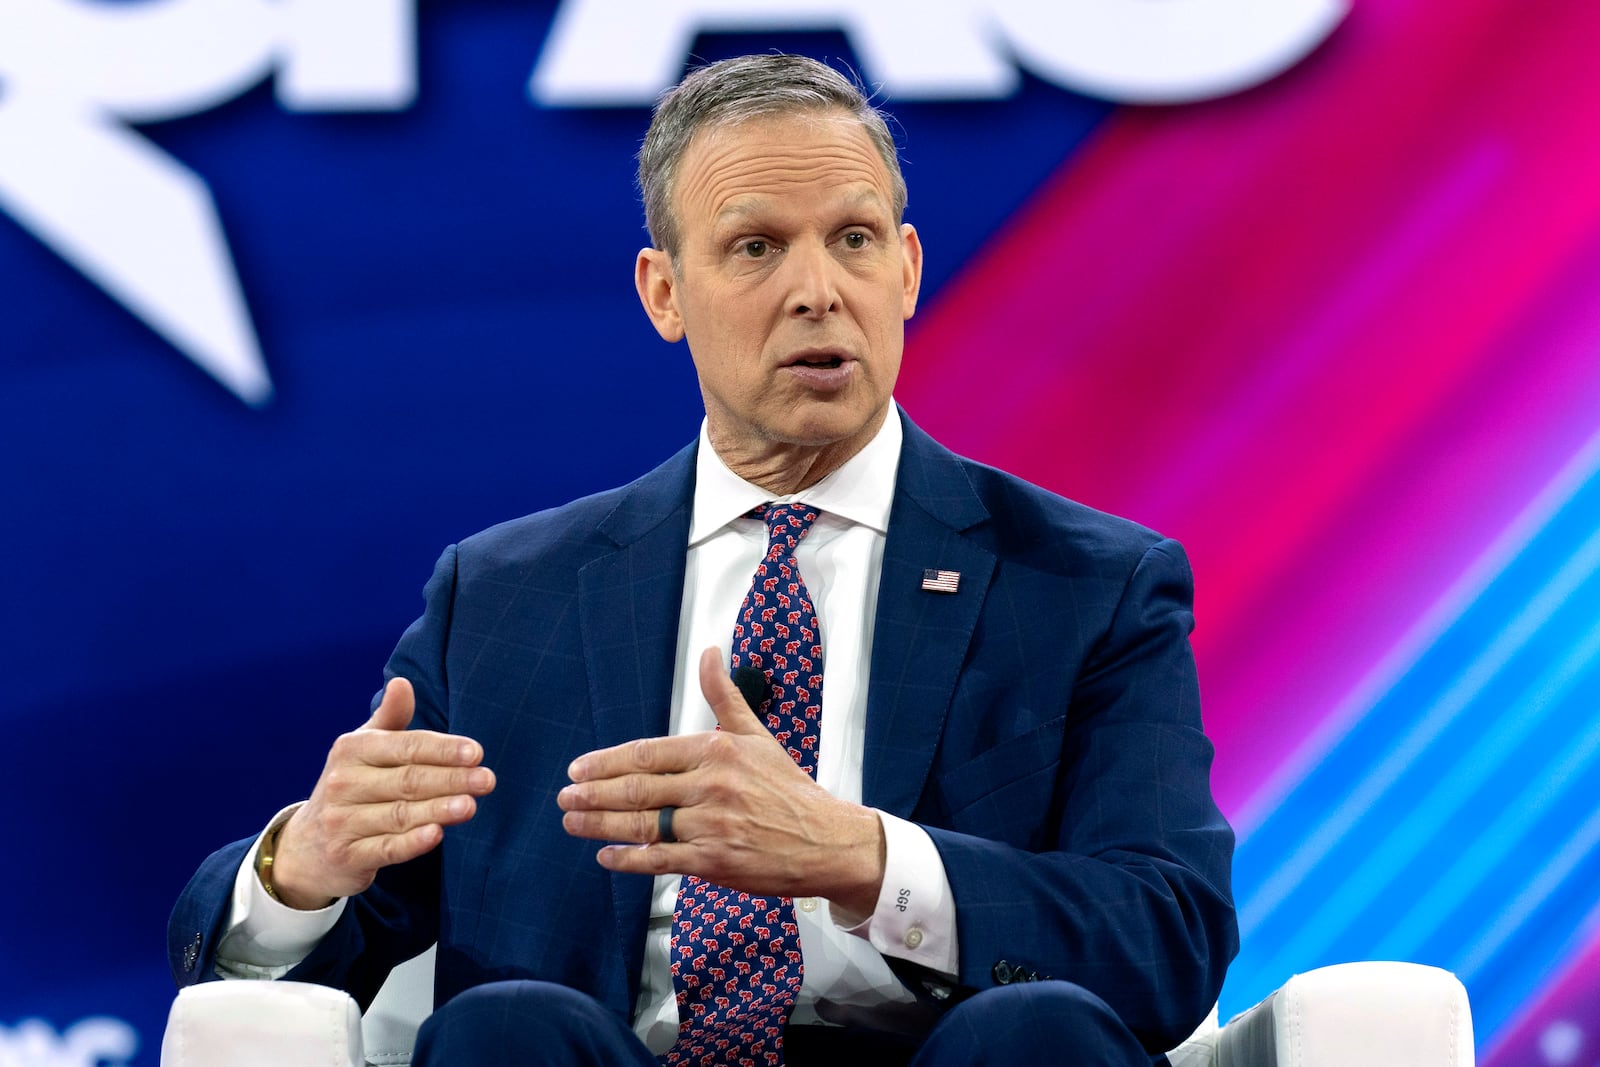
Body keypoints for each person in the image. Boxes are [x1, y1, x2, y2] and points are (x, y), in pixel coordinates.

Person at [169, 53, 1237, 1067]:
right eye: (757, 246)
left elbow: (1168, 935)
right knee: (504, 1028)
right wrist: (299, 869)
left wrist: (862, 859)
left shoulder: (1086, 584)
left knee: (1039, 1032)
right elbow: (340, 941)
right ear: (664, 292)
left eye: (854, 239)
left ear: (906, 270)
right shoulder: (504, 597)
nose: (818, 289)